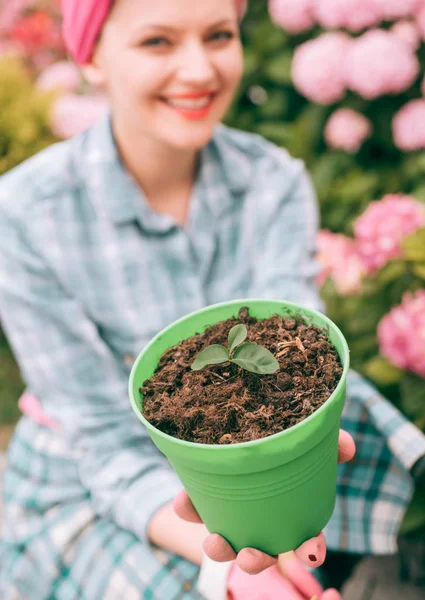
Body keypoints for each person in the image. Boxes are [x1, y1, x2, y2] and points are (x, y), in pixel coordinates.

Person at [0, 0, 424, 598]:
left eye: (219, 34)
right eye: (158, 42)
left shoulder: (271, 181)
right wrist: (226, 568)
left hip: (250, 463)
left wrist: (272, 536)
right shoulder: (24, 214)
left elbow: (292, 349)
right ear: (91, 55)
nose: (199, 70)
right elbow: (101, 440)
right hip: (91, 476)